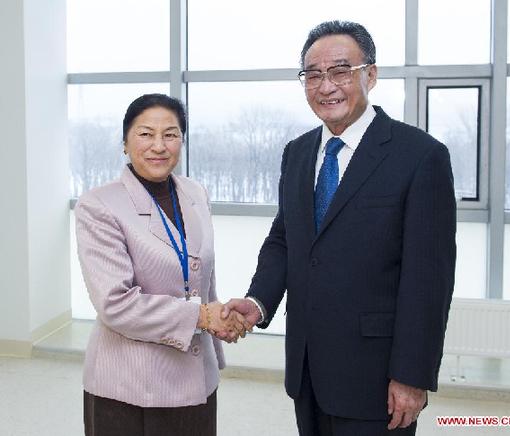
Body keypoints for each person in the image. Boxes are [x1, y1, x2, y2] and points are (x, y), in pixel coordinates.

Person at [222, 21, 456, 436]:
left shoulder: (420, 156)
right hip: (308, 366)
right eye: (313, 74)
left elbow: (428, 280)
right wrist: (258, 301)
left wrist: (412, 375)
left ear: (371, 74)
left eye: (340, 71)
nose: (325, 85)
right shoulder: (297, 153)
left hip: (378, 376)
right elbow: (285, 240)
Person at [75, 93, 249, 436]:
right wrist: (203, 316)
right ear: (125, 142)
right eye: (145, 134)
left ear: (182, 141)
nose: (159, 145)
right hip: (128, 385)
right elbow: (116, 304)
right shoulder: (98, 206)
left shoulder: (194, 192)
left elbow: (201, 276)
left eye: (170, 134)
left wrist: (219, 323)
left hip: (196, 374)